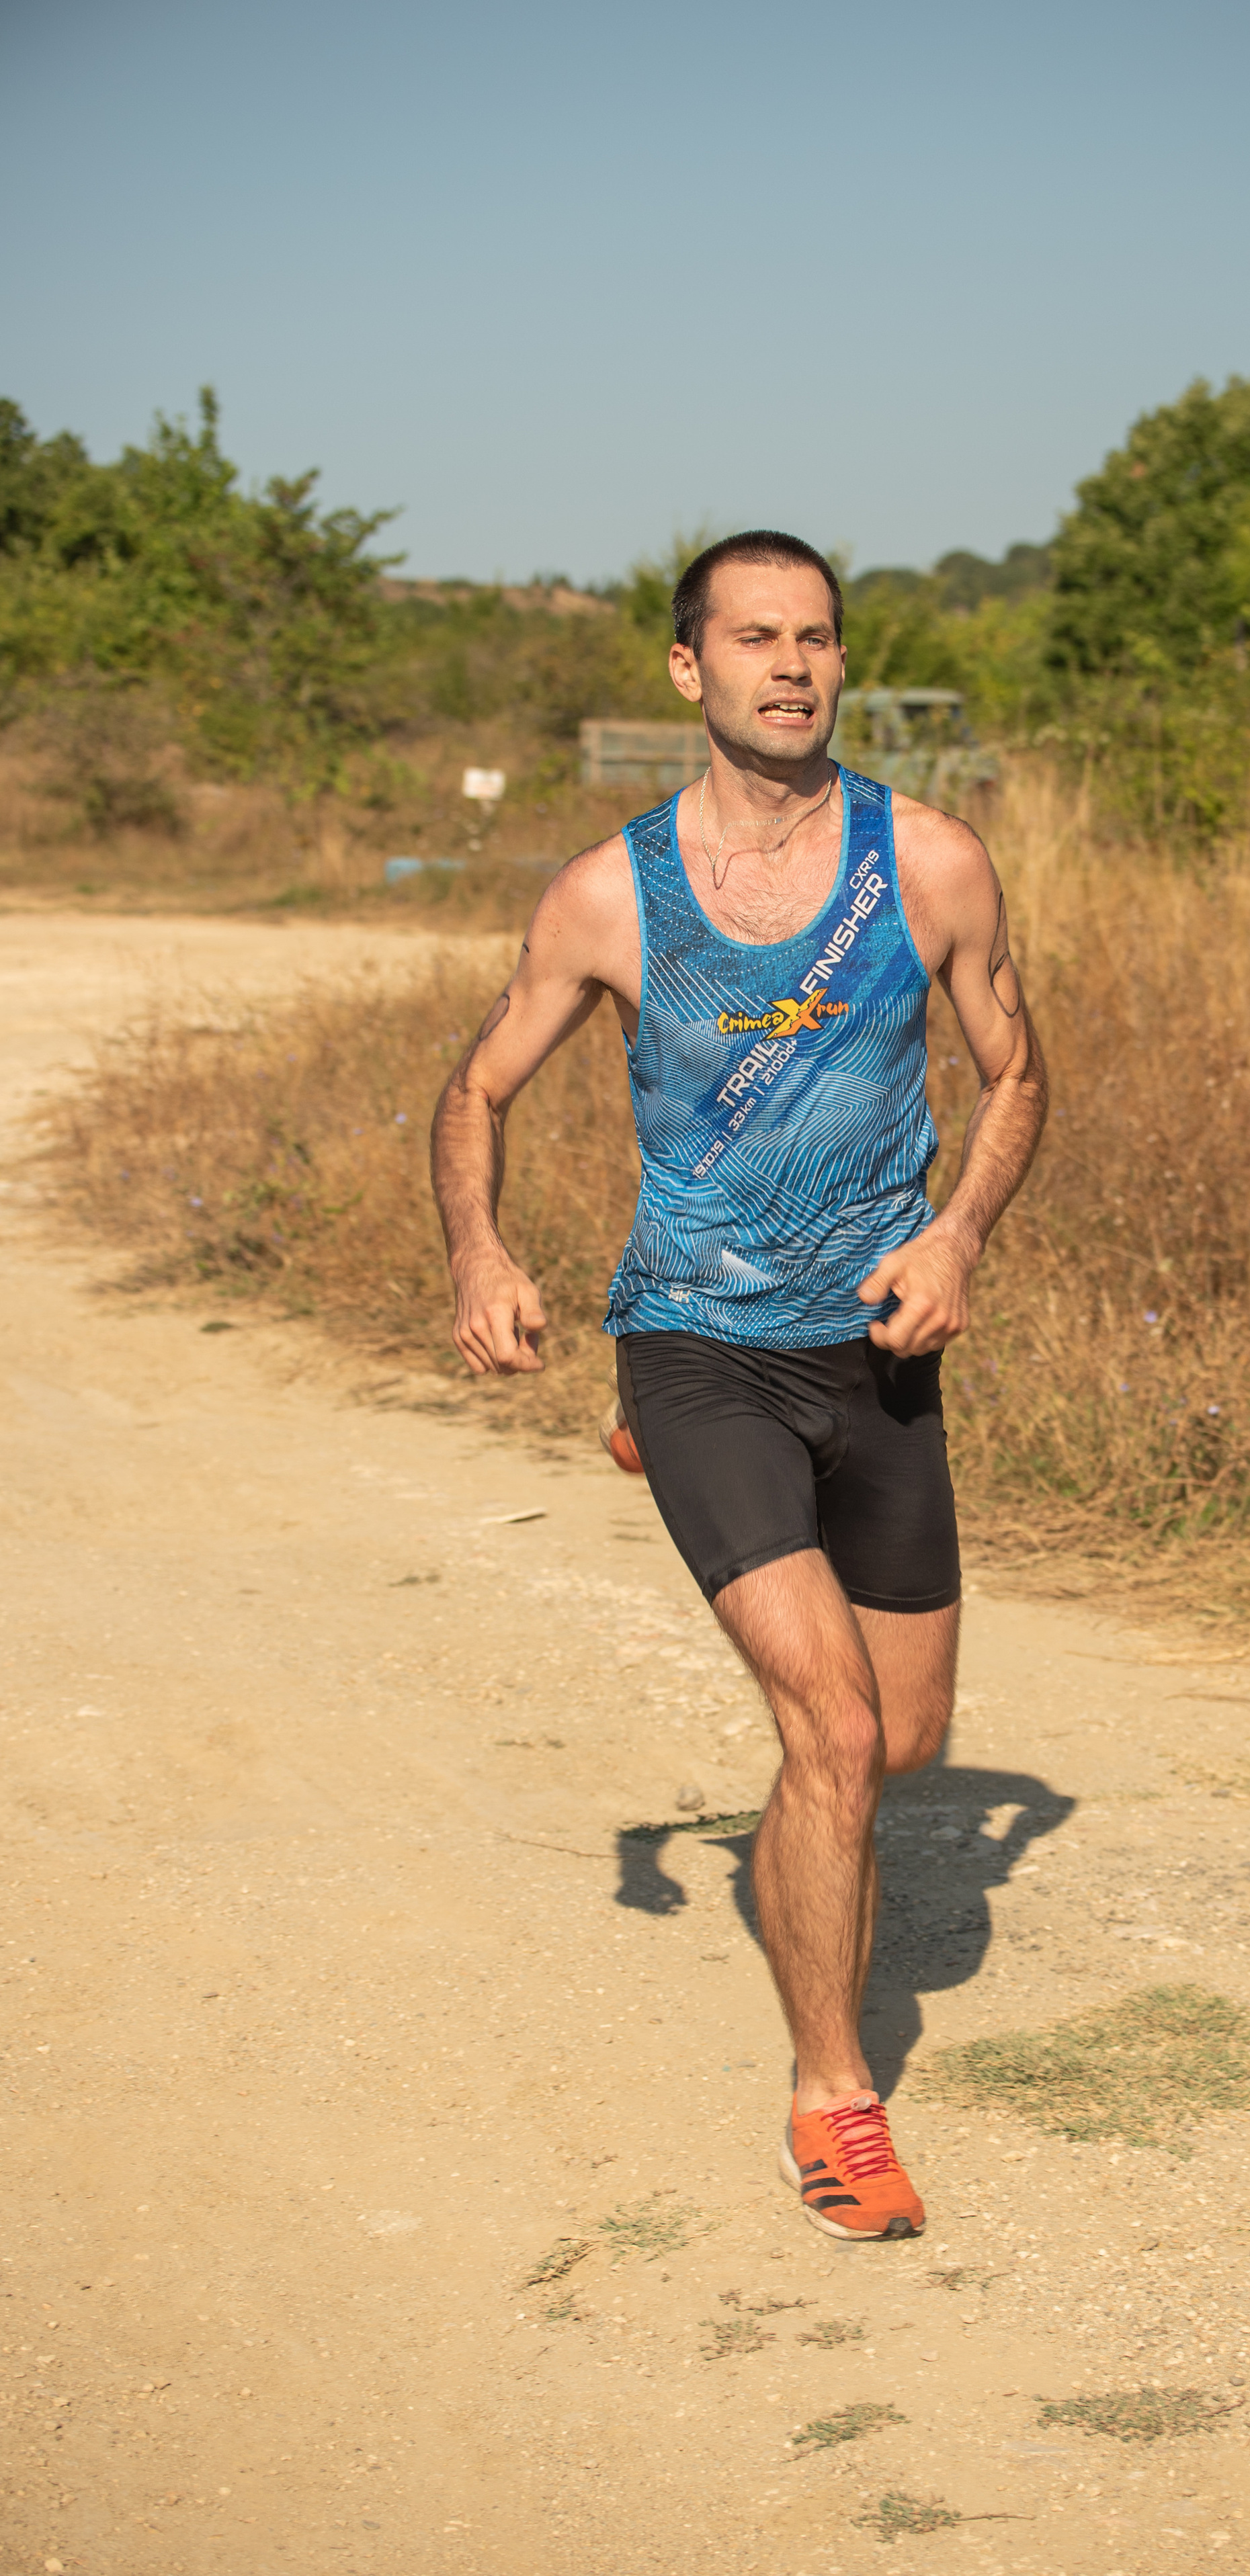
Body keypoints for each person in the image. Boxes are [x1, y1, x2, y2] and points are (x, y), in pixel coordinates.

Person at [431, 531, 1047, 2240]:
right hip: (695, 1340)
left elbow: (1012, 1070)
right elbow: (478, 1089)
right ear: (687, 671)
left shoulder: (927, 866)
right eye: (756, 638)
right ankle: (833, 2099)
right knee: (833, 1728)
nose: (793, 664)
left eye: (820, 639)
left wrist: (959, 1237)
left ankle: (802, 1745)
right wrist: (480, 1255)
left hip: (873, 1344)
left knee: (906, 1739)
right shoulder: (608, 895)